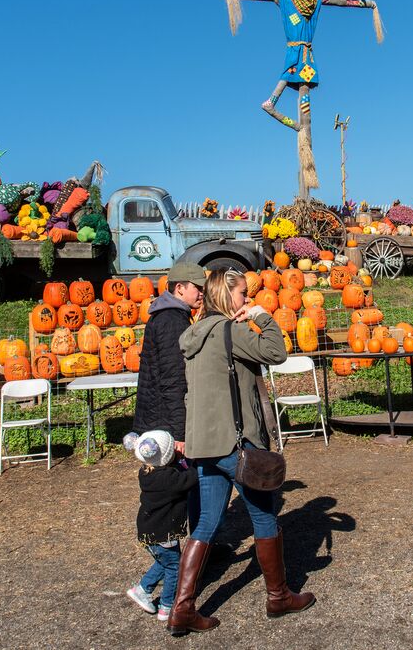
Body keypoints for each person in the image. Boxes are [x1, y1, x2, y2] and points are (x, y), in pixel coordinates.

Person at [167, 270, 314, 636]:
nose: (246, 299)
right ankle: (278, 596)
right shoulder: (231, 332)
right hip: (237, 441)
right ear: (225, 296)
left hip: (205, 443)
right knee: (264, 516)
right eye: (243, 294)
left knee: (206, 523)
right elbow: (277, 352)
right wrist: (261, 316)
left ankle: (182, 608)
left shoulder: (194, 336)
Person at [132, 262, 205, 453]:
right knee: (177, 479)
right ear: (179, 288)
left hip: (160, 416)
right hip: (165, 422)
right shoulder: (171, 321)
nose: (202, 293)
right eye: (197, 288)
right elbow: (174, 378)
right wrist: (180, 432)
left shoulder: (170, 315)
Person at [126, 430, 197, 622]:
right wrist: (191, 463)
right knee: (175, 566)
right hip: (163, 532)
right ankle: (167, 606)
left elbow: (167, 467)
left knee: (163, 562)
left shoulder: (146, 472)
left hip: (148, 530)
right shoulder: (170, 479)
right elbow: (190, 478)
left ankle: (142, 589)